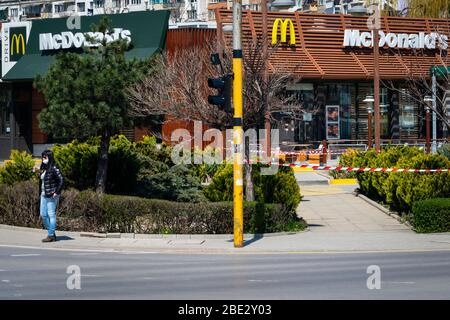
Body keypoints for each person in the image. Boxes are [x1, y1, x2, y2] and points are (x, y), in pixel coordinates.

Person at [39, 150, 64, 243]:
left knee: (51, 215)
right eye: (42, 157)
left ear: (50, 157)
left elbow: (61, 180)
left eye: (45, 157)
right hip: (43, 194)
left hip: (51, 195)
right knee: (43, 215)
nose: (43, 159)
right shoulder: (44, 167)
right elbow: (43, 182)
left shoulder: (54, 167)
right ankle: (52, 233)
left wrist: (56, 192)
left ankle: (50, 235)